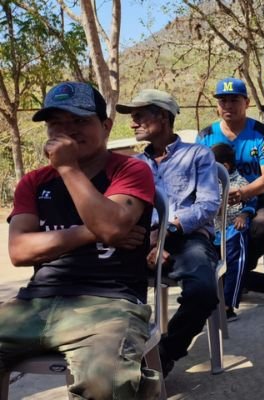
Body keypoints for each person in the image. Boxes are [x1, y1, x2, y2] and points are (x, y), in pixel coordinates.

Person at [2, 82, 160, 399]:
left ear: (105, 126)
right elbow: (19, 251)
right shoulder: (34, 182)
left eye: (79, 121)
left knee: (107, 384)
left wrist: (67, 167)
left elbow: (112, 227)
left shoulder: (129, 170)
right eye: (57, 123)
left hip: (110, 305)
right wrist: (93, 232)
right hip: (35, 303)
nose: (67, 131)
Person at [116, 89, 221, 377]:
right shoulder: (134, 165)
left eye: (139, 116)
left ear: (162, 117)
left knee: (203, 291)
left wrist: (165, 234)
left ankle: (164, 354)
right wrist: (147, 240)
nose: (133, 123)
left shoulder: (198, 155)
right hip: (142, 239)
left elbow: (209, 203)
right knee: (107, 282)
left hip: (188, 238)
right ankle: (121, 358)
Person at [197, 77, 264, 302]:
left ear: (246, 102)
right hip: (216, 200)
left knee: (261, 226)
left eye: (234, 100)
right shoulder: (205, 136)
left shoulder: (262, 133)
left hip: (257, 199)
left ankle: (232, 278)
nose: (228, 106)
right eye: (222, 101)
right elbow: (199, 175)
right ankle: (261, 282)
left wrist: (243, 194)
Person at [211, 143, 258, 321]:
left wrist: (244, 215)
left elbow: (252, 202)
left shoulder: (240, 183)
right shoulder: (210, 183)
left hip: (233, 229)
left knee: (235, 265)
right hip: (214, 230)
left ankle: (228, 305)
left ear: (225, 166)